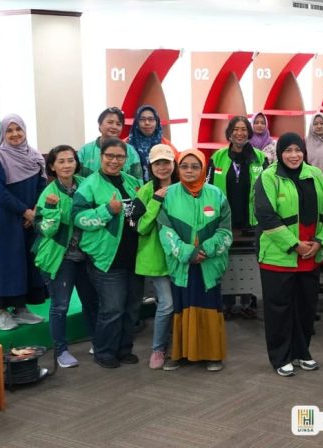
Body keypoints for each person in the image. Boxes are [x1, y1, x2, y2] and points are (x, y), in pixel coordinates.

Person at [254, 132, 323, 377]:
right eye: (288, 150)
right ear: (280, 153)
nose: (294, 155)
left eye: (298, 150)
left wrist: (320, 242)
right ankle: (281, 357)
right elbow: (266, 216)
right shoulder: (268, 177)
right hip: (278, 257)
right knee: (279, 309)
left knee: (305, 308)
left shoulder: (315, 174)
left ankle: (302, 352)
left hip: (310, 255)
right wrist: (295, 245)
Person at [157, 149, 233, 372]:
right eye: (184, 166)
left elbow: (225, 230)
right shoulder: (168, 195)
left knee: (210, 308)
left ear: (203, 169)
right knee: (182, 308)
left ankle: (212, 355)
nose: (189, 170)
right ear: (178, 169)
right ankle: (179, 354)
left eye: (195, 166)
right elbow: (165, 231)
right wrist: (187, 253)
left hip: (209, 264)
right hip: (182, 265)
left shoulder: (216, 195)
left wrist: (206, 250)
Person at [72, 137, 144, 369]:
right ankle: (104, 351)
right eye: (110, 156)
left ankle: (124, 350)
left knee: (132, 308)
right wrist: (107, 211)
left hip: (134, 257)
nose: (114, 160)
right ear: (101, 157)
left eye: (119, 157)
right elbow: (78, 218)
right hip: (107, 258)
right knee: (112, 309)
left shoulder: (133, 182)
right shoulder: (89, 185)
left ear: (126, 159)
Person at [34, 145, 99, 367]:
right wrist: (51, 209)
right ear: (52, 166)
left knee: (91, 301)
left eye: (71, 160)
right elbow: (46, 230)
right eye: (61, 161)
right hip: (60, 258)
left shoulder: (86, 184)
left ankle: (97, 342)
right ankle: (61, 351)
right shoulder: (49, 193)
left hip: (86, 255)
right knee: (60, 306)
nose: (67, 165)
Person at [0, 114, 48, 331]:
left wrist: (36, 210)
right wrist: (25, 211)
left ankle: (21, 310)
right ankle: (1, 313)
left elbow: (42, 186)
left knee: (26, 261)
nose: (15, 134)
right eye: (9, 130)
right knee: (6, 262)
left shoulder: (35, 156)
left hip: (29, 218)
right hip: (6, 220)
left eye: (18, 129)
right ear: (3, 133)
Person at [208, 115, 268, 318]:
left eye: (243, 129)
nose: (240, 133)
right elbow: (208, 187)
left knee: (250, 260)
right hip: (225, 219)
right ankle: (225, 303)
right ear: (229, 133)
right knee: (226, 259)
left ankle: (248, 303)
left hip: (251, 220)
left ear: (249, 133)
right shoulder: (217, 158)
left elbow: (268, 187)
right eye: (236, 129)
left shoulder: (260, 158)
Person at [135, 144, 178, 369]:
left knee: (180, 303)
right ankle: (158, 349)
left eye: (166, 162)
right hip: (156, 257)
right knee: (167, 304)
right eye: (157, 163)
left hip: (180, 257)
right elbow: (140, 227)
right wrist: (156, 200)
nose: (162, 167)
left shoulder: (182, 187)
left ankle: (179, 345)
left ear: (173, 164)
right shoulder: (145, 191)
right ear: (150, 167)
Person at [78, 107, 143, 180]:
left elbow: (138, 180)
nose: (114, 127)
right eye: (110, 122)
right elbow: (76, 180)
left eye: (118, 124)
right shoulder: (85, 151)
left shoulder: (130, 151)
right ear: (99, 124)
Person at [126, 105, 177, 182]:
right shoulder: (126, 144)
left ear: (157, 122)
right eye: (142, 119)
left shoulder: (165, 144)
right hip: (132, 186)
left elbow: (176, 165)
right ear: (136, 122)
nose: (147, 123)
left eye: (151, 119)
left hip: (161, 186)